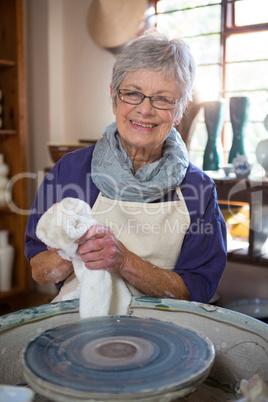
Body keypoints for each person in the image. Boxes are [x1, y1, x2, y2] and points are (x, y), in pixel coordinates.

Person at [25, 30, 227, 304]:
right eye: (132, 93)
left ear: (181, 109)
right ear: (113, 97)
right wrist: (71, 252)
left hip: (164, 330)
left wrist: (125, 261)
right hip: (80, 320)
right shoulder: (70, 171)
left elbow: (197, 289)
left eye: (163, 99)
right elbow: (39, 271)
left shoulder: (198, 189)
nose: (145, 110)